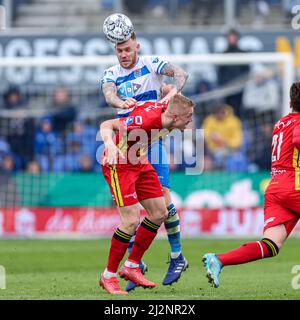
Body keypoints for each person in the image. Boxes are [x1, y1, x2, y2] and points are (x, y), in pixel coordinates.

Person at [101, 29, 189, 290]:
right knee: (130, 218)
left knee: (162, 205)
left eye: (128, 49)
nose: (124, 54)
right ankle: (125, 267)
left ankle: (175, 256)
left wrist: (172, 93)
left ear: (137, 47)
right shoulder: (111, 74)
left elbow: (182, 75)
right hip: (127, 144)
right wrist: (119, 100)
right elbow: (108, 97)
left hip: (150, 143)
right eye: (119, 50)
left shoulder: (152, 64)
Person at [202, 81, 300, 288]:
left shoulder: (280, 124)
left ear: (290, 102)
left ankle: (219, 259)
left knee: (271, 245)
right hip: (294, 186)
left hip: (275, 188)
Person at [99, 94, 194, 294]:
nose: (191, 120)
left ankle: (132, 266)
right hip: (119, 164)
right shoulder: (144, 122)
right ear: (175, 117)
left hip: (140, 161)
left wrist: (172, 88)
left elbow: (169, 96)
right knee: (131, 221)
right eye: (189, 116)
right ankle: (108, 276)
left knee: (160, 212)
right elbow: (107, 124)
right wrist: (109, 144)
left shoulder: (167, 112)